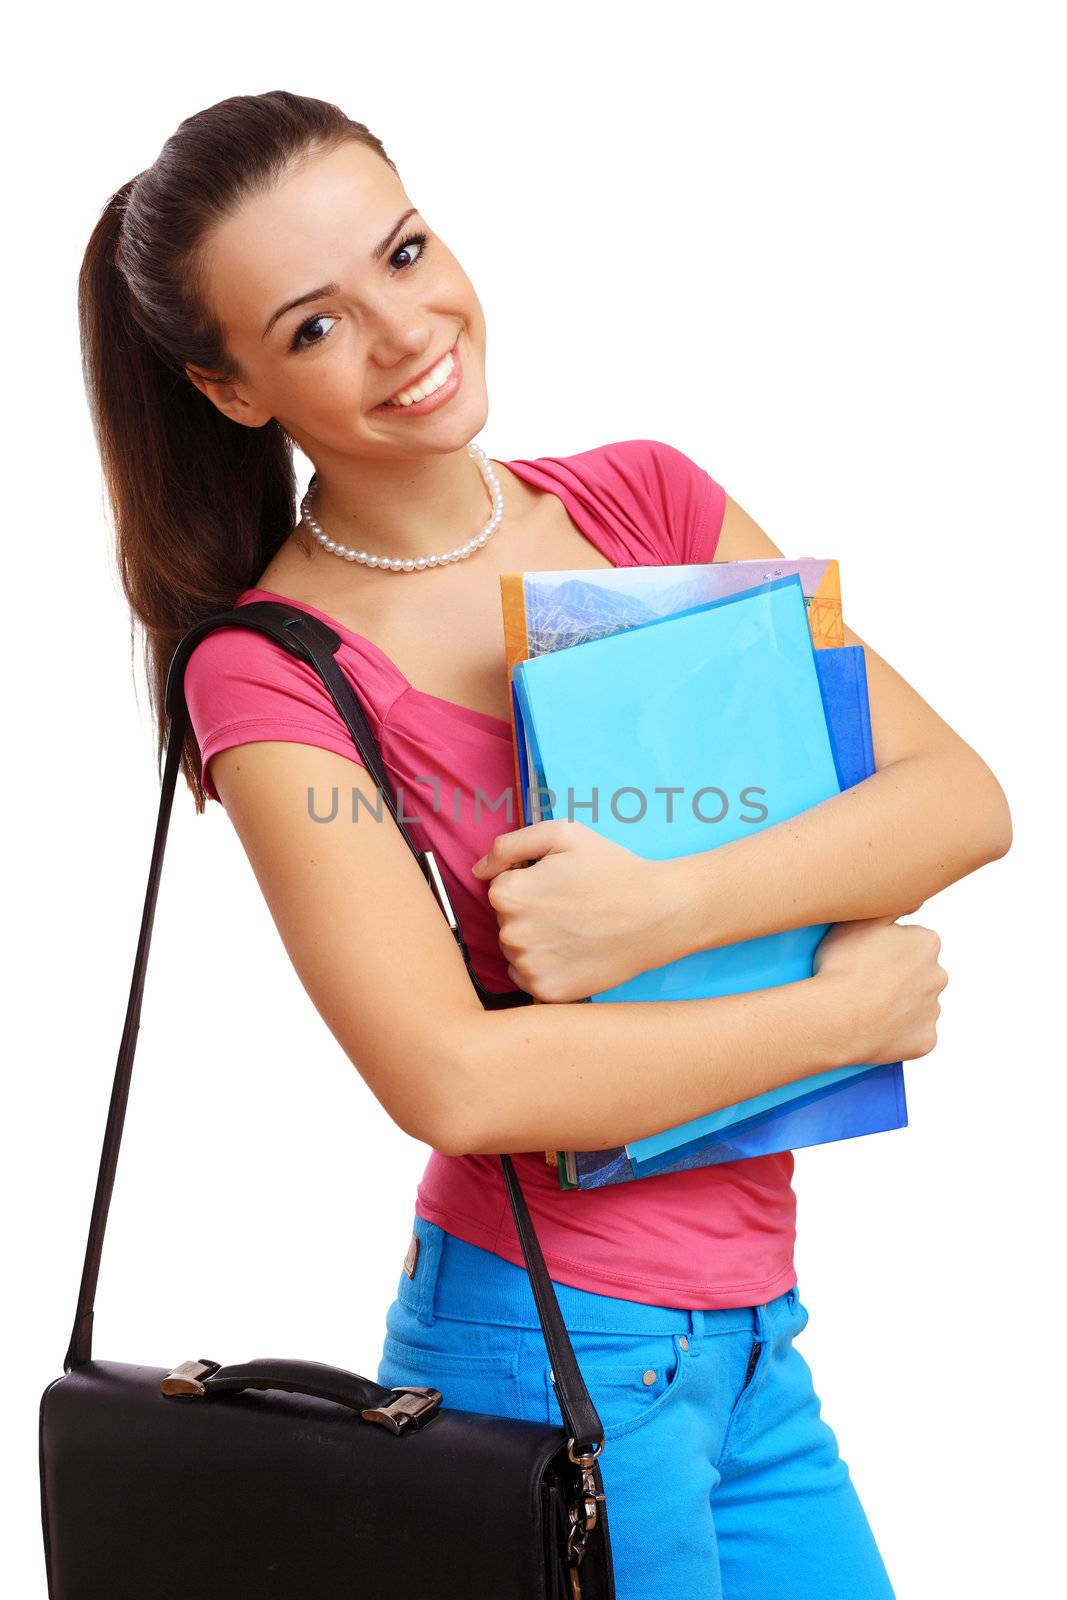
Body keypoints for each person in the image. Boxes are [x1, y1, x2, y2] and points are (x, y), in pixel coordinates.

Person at [78, 88, 1011, 1599]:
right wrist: (848, 1014)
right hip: (551, 1342)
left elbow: (957, 798)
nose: (403, 332)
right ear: (230, 388)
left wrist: (659, 911)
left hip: (759, 1337)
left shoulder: (648, 500)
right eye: (313, 327)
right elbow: (450, 1076)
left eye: (404, 249)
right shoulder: (273, 666)